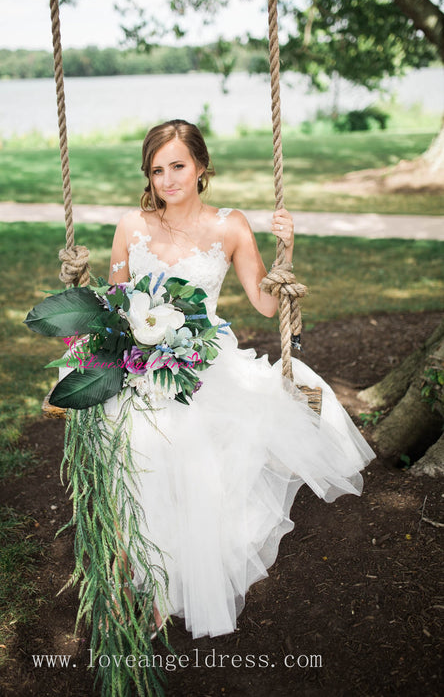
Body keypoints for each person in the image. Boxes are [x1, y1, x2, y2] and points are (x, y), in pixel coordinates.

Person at [105, 119, 375, 640]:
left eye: (178, 166)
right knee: (140, 466)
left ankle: (181, 580)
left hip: (205, 363)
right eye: (157, 170)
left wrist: (286, 256)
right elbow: (115, 303)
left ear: (201, 166)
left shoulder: (230, 226)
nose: (168, 180)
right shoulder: (129, 227)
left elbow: (266, 302)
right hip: (140, 364)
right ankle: (147, 583)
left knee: (203, 468)